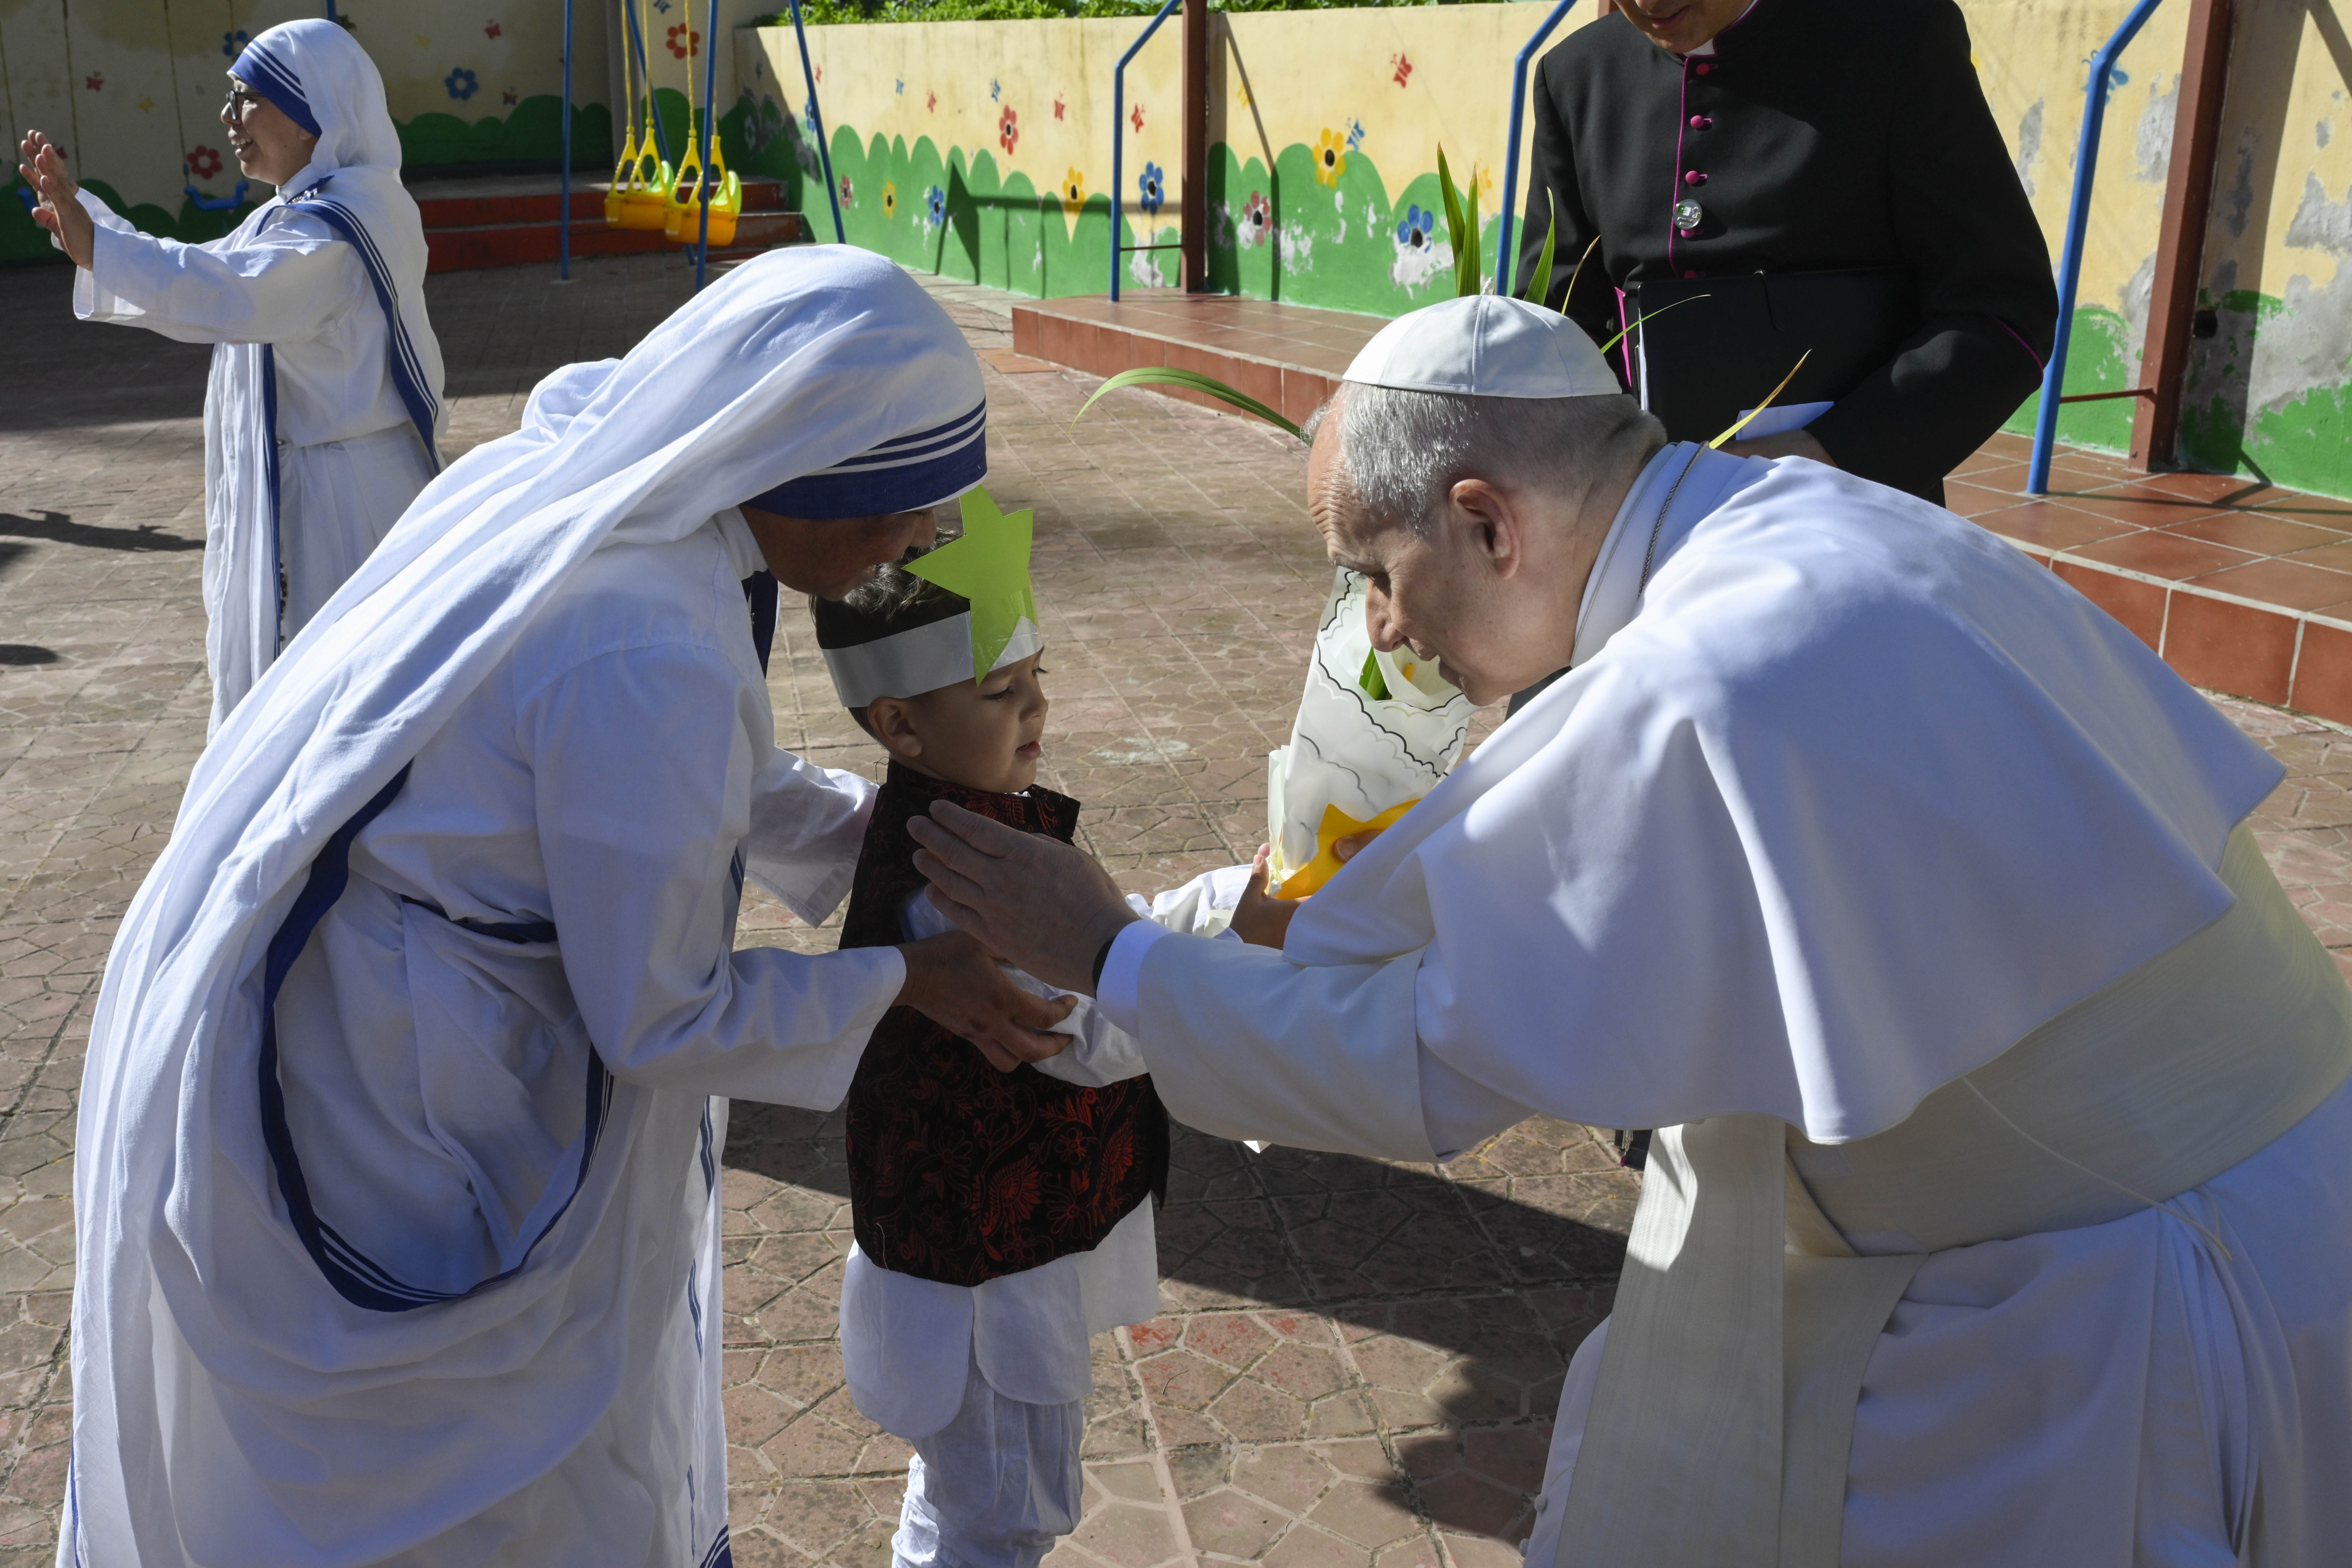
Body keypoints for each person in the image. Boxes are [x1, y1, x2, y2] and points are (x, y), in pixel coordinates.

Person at [902, 294, 2352, 1566]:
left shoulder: (1702, 670)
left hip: (2106, 1305)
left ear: (1488, 521)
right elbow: (1471, 885)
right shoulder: (1786, 523)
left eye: (1375, 573)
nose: (1384, 633)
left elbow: (1424, 1057)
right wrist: (1207, 920)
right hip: (2229, 1199)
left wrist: (1113, 957)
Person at [62, 248, 1074, 1568]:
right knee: (459, 1473)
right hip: (427, 1083)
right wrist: (909, 984)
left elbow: (696, 780)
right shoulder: (647, 639)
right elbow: (663, 1017)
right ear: (803, 468)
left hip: (395, 1001)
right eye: (903, 511)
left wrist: (886, 839)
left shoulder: (606, 479)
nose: (924, 543)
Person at [813, 551, 1170, 1568]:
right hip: (987, 1286)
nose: (1036, 706)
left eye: (1038, 675)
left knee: (966, 1496)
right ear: (901, 725)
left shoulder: (967, 827)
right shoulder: (958, 882)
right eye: (1000, 689)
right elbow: (1086, 1029)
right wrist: (1235, 952)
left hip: (983, 1267)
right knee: (1003, 1515)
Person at [18, 19, 445, 733]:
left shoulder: (337, 229)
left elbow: (230, 293)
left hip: (340, 510)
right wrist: (93, 230)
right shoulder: (311, 211)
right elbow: (210, 265)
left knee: (335, 722)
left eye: (247, 98)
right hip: (323, 486)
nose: (229, 118)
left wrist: (101, 248)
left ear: (311, 112)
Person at [1515, 0, 2057, 502]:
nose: (1650, 0)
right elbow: (1561, 325)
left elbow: (2004, 310)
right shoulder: (1575, 75)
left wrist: (1830, 452)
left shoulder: (1895, 36)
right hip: (1649, 516)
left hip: (1854, 512)